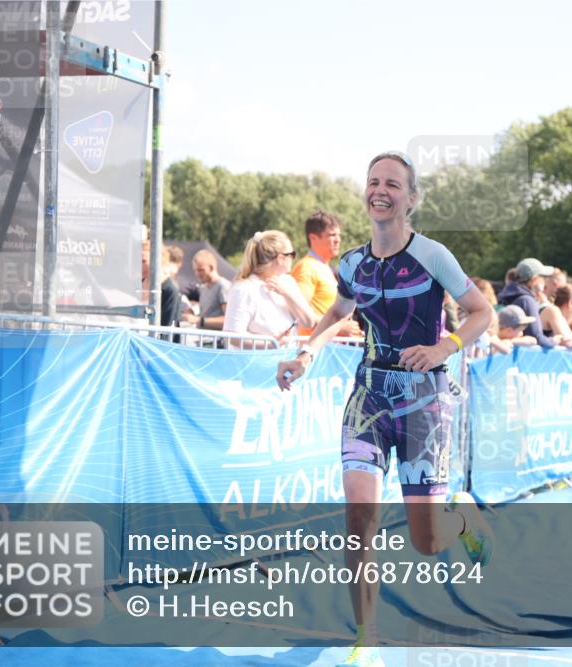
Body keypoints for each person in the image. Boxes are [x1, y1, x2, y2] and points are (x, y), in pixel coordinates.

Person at [275, 151, 494, 667]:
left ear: (410, 199)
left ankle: (463, 521)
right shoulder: (351, 263)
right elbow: (338, 310)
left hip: (424, 403)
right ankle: (366, 638)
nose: (380, 190)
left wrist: (445, 348)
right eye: (373, 181)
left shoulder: (434, 255)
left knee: (426, 541)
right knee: (359, 517)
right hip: (369, 399)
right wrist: (308, 352)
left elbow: (482, 312)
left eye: (393, 183)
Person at [223, 230, 316, 348]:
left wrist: (287, 293)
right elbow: (233, 337)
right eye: (292, 254)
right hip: (255, 364)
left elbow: (309, 322)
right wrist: (271, 343)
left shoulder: (288, 282)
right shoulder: (244, 289)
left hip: (286, 362)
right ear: (280, 258)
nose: (293, 259)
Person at [291, 209, 363, 337]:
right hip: (316, 352)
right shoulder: (307, 268)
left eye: (339, 235)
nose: (338, 240)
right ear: (313, 238)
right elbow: (298, 314)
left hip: (331, 350)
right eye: (332, 235)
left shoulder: (325, 267)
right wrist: (339, 328)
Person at [497, 258, 558, 348]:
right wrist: (554, 341)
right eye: (544, 277)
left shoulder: (506, 295)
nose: (546, 281)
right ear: (534, 279)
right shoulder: (527, 301)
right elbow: (536, 337)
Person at [181, 249, 230, 330]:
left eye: (201, 270)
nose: (197, 274)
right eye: (195, 270)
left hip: (216, 340)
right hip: (202, 339)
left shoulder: (223, 286)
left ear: (211, 267)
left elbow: (228, 320)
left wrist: (199, 320)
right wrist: (191, 314)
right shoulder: (203, 288)